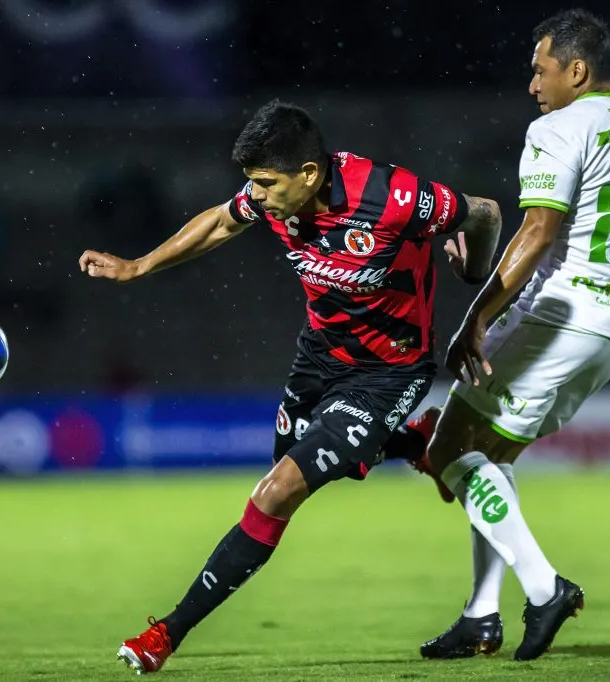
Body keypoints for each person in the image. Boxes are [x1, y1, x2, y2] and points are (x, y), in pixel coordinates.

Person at [78, 99, 503, 674]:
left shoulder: (395, 197)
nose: (255, 195)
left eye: (265, 183)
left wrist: (475, 275)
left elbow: (484, 212)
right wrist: (139, 266)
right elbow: (222, 220)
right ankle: (413, 445)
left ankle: (167, 634)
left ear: (309, 175)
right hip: (319, 358)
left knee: (274, 492)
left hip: (389, 371)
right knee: (286, 471)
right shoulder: (270, 198)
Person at [406, 9, 610, 662]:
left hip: (555, 316)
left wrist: (478, 317)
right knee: (490, 458)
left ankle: (545, 586)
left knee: (445, 454)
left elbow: (537, 232)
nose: (532, 83)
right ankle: (480, 617)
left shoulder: (558, 127)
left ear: (575, 71)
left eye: (539, 68)